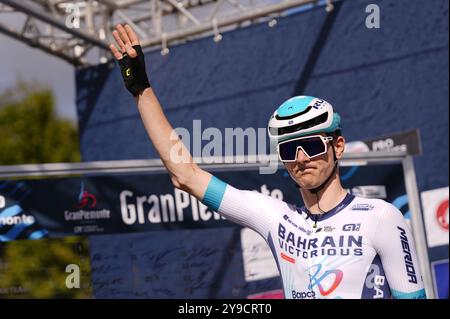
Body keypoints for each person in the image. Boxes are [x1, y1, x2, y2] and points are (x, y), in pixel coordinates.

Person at [109, 24, 427, 299]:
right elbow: (185, 175)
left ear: (338, 146)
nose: (301, 158)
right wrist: (141, 89)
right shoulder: (276, 218)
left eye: (312, 145)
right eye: (290, 150)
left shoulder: (381, 217)